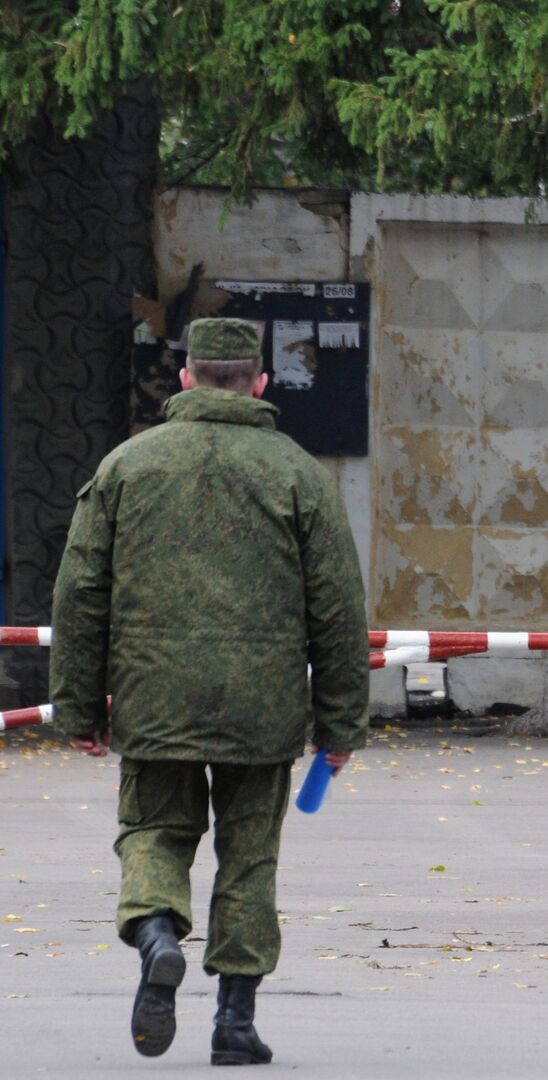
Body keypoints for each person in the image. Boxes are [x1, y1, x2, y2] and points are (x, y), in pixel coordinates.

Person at [50, 317, 369, 1064]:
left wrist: (75, 707)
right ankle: (235, 1023)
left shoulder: (127, 467)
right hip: (264, 711)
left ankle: (159, 934)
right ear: (260, 384)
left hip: (151, 699)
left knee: (154, 833)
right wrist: (341, 726)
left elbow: (80, 594)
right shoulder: (300, 476)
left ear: (187, 379)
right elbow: (338, 609)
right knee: (249, 856)